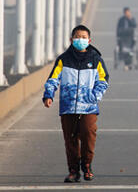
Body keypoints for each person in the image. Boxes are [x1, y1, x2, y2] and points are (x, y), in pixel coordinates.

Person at [43, 25, 109, 183]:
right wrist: (48, 95)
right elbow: (53, 79)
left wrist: (94, 96)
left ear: (89, 40)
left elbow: (103, 80)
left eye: (84, 37)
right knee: (70, 140)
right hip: (68, 107)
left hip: (88, 107)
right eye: (77, 37)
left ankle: (86, 166)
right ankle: (73, 171)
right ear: (71, 40)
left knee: (88, 135)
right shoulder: (63, 60)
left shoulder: (95, 59)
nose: (80, 40)